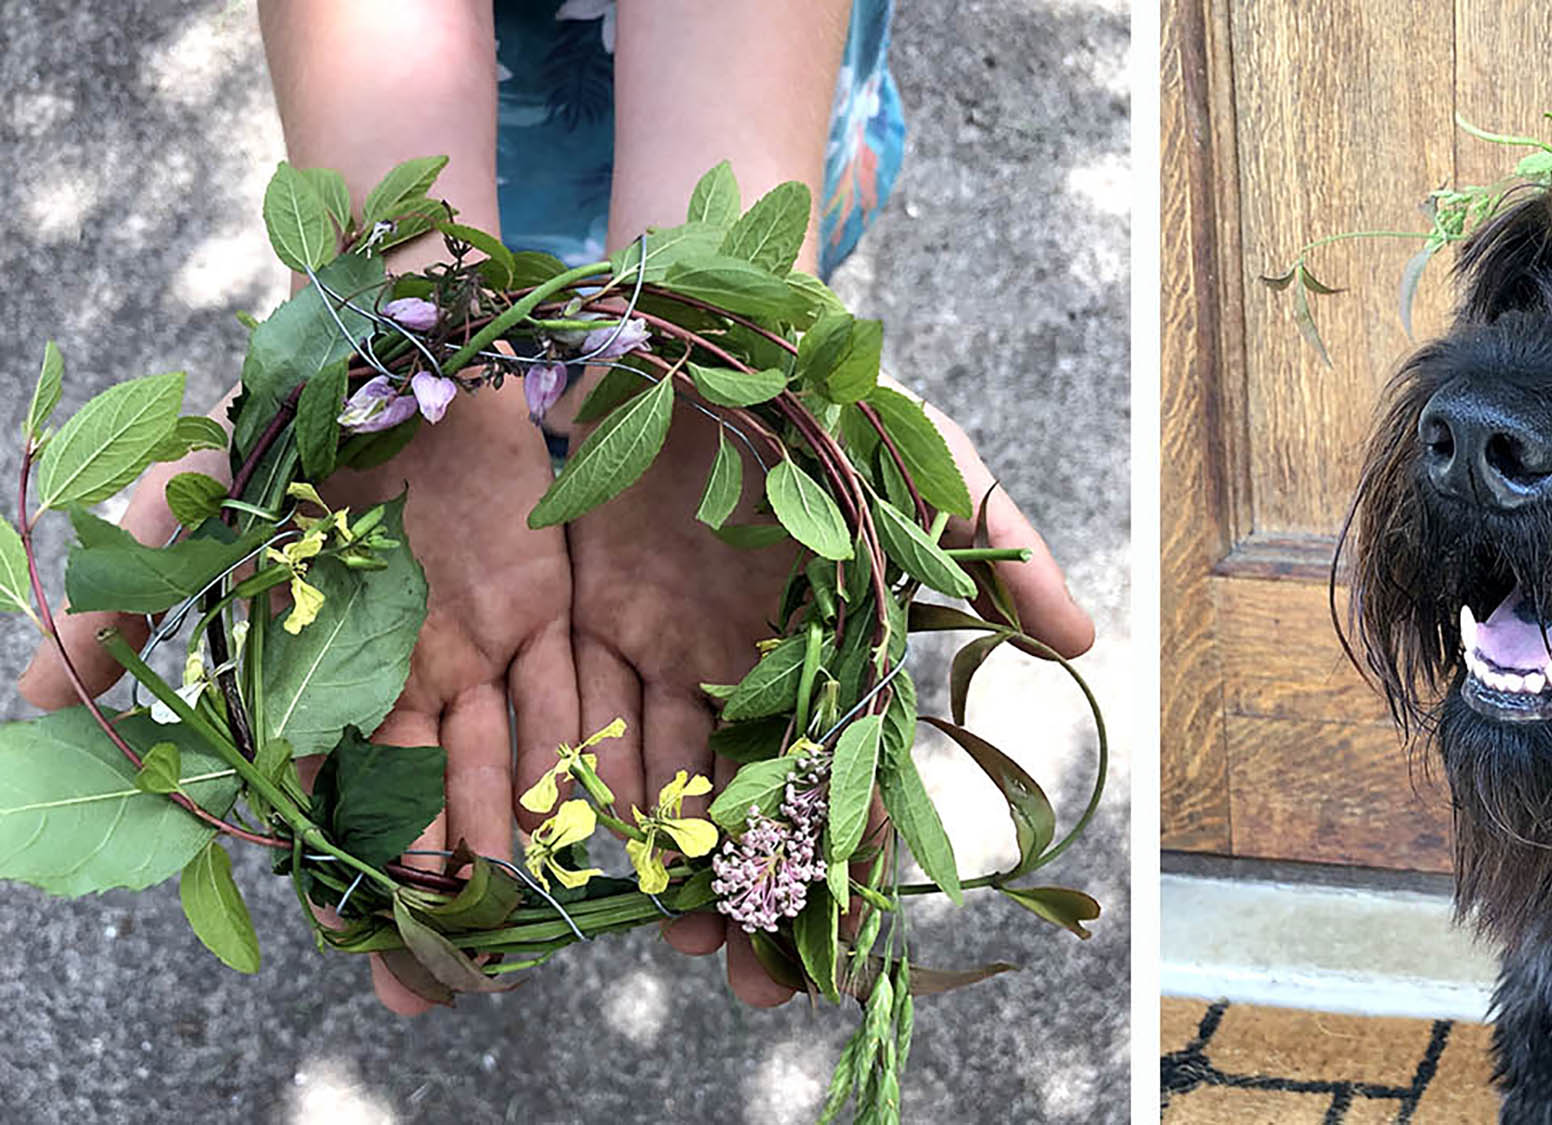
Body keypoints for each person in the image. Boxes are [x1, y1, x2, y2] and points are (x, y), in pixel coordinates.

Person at [18, 0, 1092, 1017]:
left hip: (745, 82)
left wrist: (726, 331)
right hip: (451, 145)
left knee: (656, 365)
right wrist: (389, 318)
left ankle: (648, 379)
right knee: (544, 394)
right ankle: (587, 392)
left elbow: (725, 238)